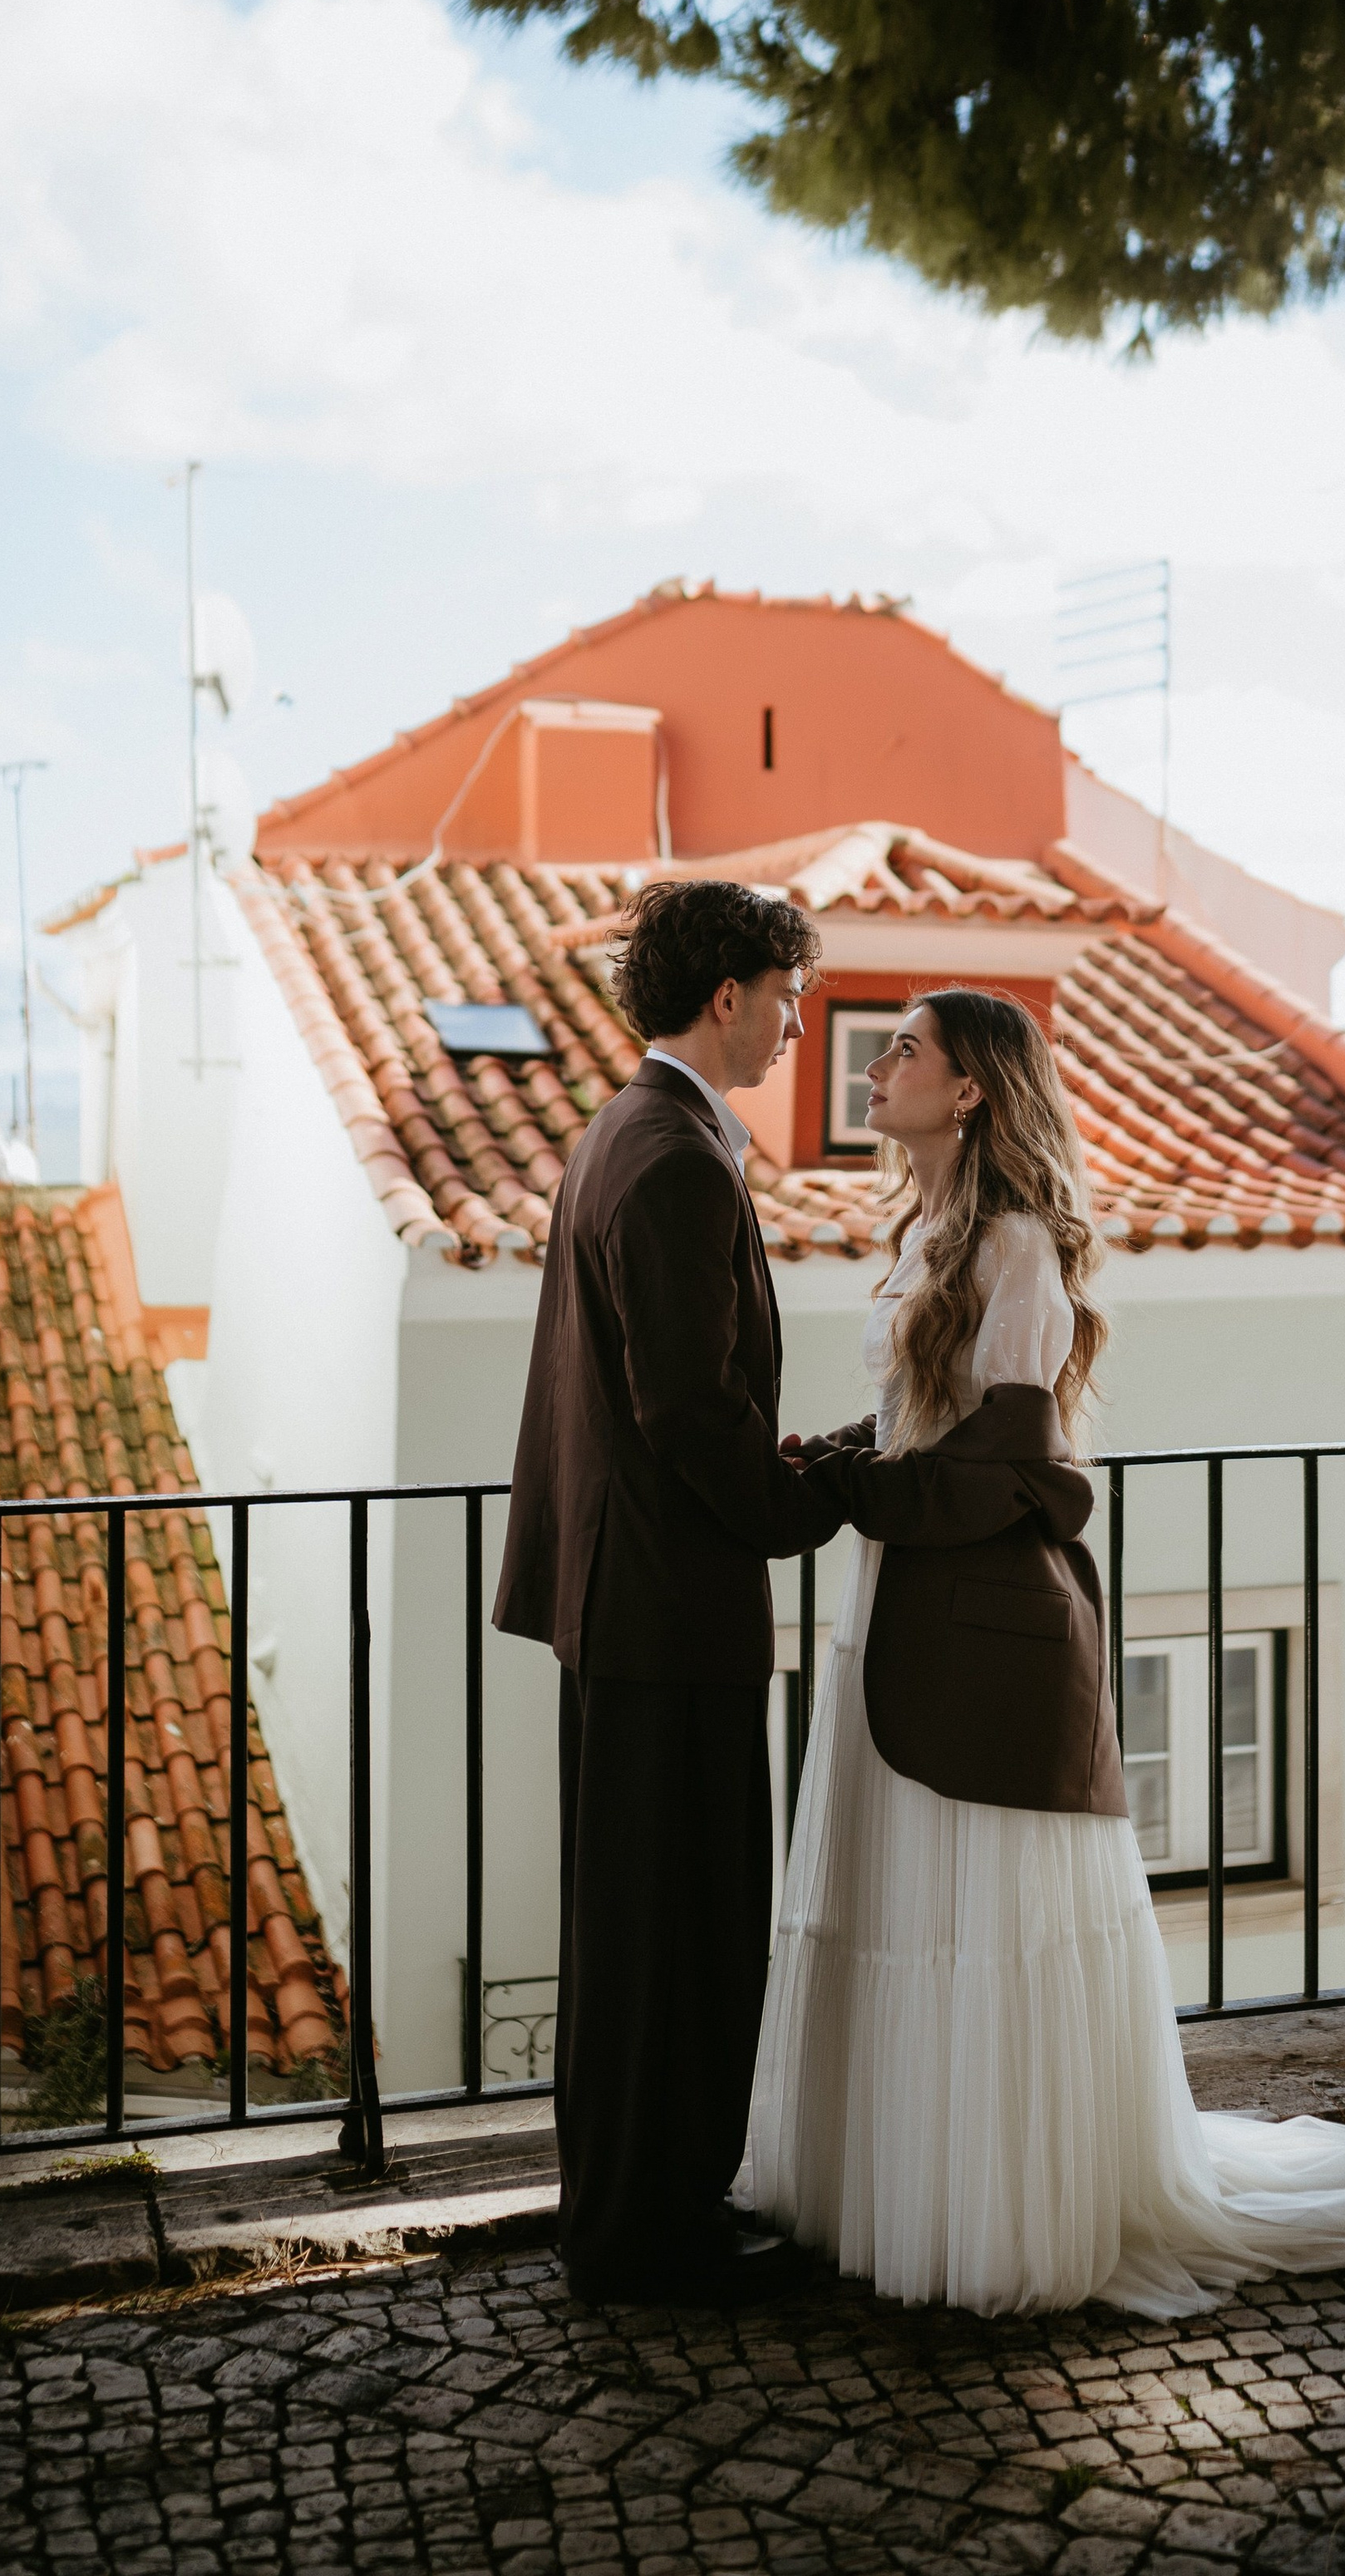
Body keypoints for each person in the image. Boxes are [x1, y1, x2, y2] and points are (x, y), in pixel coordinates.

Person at [741, 988, 1345, 2317]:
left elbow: (1002, 1463)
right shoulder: (928, 1236)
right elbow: (919, 1426)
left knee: (972, 1908)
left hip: (977, 1617)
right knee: (898, 1901)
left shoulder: (1016, 1247)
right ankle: (893, 2185)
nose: (874, 1071)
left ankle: (992, 2213)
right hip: (896, 1604)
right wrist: (836, 1456)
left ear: (969, 1088)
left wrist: (857, 1491)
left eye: (902, 1051)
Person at [493, 878, 842, 2307]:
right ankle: (650, 2237)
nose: (797, 1026)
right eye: (789, 997)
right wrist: (809, 1500)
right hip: (665, 1606)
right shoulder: (681, 1158)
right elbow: (691, 1410)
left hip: (619, 1599)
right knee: (680, 1930)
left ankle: (627, 2214)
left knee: (638, 1927)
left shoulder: (622, 1132)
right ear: (729, 996)